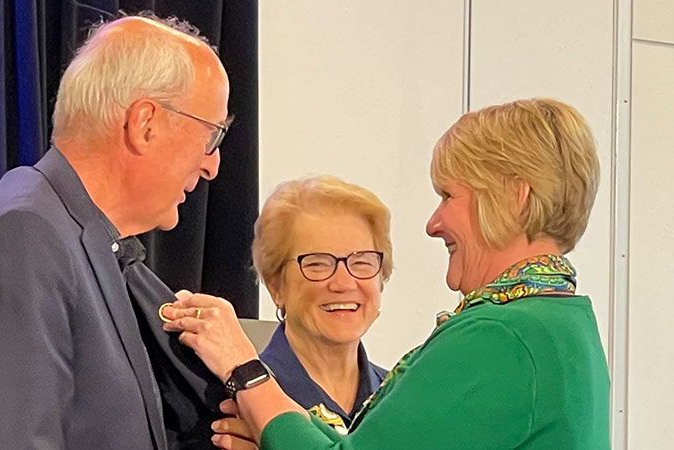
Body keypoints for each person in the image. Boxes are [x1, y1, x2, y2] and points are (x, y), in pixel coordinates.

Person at [165, 98, 611, 449]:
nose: (433, 223)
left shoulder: (504, 333)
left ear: (515, 197)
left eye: (449, 195)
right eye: (317, 262)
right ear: (275, 282)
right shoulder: (560, 322)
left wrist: (246, 371)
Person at [0, 15, 234, 450]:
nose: (212, 165)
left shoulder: (77, 240)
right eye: (211, 136)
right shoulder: (20, 240)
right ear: (145, 124)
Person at [250, 176, 392, 430]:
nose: (344, 283)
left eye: (361, 262)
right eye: (317, 264)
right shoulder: (242, 404)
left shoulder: (402, 398)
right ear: (275, 286)